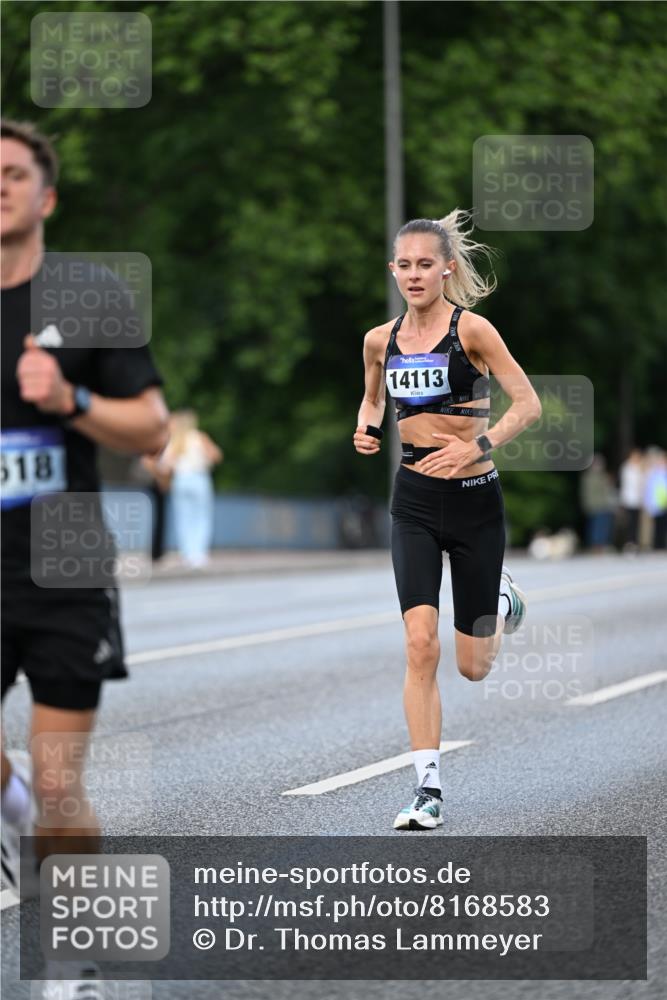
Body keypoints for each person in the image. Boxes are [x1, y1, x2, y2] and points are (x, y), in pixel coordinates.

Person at [1, 119, 168, 994]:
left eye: (14, 172)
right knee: (33, 793)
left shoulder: (89, 296)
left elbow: (151, 425)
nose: (0, 184)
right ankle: (12, 803)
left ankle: (75, 957)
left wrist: (68, 398)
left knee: (64, 789)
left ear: (46, 196)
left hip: (63, 573)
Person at [353, 210, 541, 831]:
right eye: (404, 264)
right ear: (393, 270)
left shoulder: (474, 332)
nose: (414, 274)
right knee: (419, 644)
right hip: (412, 500)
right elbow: (374, 393)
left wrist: (479, 447)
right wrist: (367, 425)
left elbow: (528, 404)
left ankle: (502, 596)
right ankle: (427, 790)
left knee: (473, 666)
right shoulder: (378, 339)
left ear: (446, 269)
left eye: (425, 264)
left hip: (476, 500)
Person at [163, 409, 222, 568]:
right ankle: (199, 554)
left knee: (183, 518)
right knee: (201, 517)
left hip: (180, 480)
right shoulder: (199, 437)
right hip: (198, 478)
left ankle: (187, 554)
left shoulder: (175, 441)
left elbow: (166, 464)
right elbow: (216, 456)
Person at [579, 454, 617, 551]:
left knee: (604, 525)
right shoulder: (589, 477)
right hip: (596, 505)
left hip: (604, 505)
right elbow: (587, 492)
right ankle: (596, 545)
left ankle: (602, 543)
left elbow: (608, 490)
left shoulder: (602, 475)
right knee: (596, 526)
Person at [618, 448, 644, 552]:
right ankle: (628, 542)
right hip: (629, 499)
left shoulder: (640, 467)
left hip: (638, 500)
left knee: (636, 523)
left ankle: (635, 543)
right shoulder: (626, 467)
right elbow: (625, 485)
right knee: (629, 522)